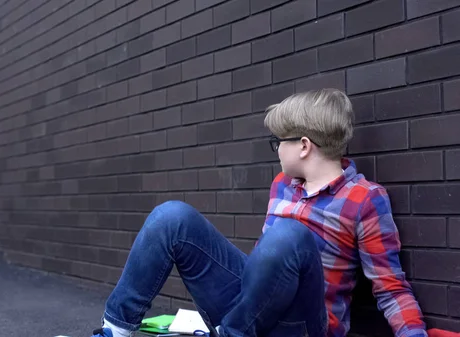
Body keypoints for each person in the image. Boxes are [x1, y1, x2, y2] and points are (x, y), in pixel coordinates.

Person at [90, 89, 427, 337]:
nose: (277, 149)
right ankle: (115, 329)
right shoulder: (282, 184)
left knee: (290, 235)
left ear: (304, 145)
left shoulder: (365, 199)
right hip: (253, 315)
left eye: (279, 141)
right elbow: (265, 272)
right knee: (172, 217)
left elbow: (390, 286)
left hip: (305, 326)